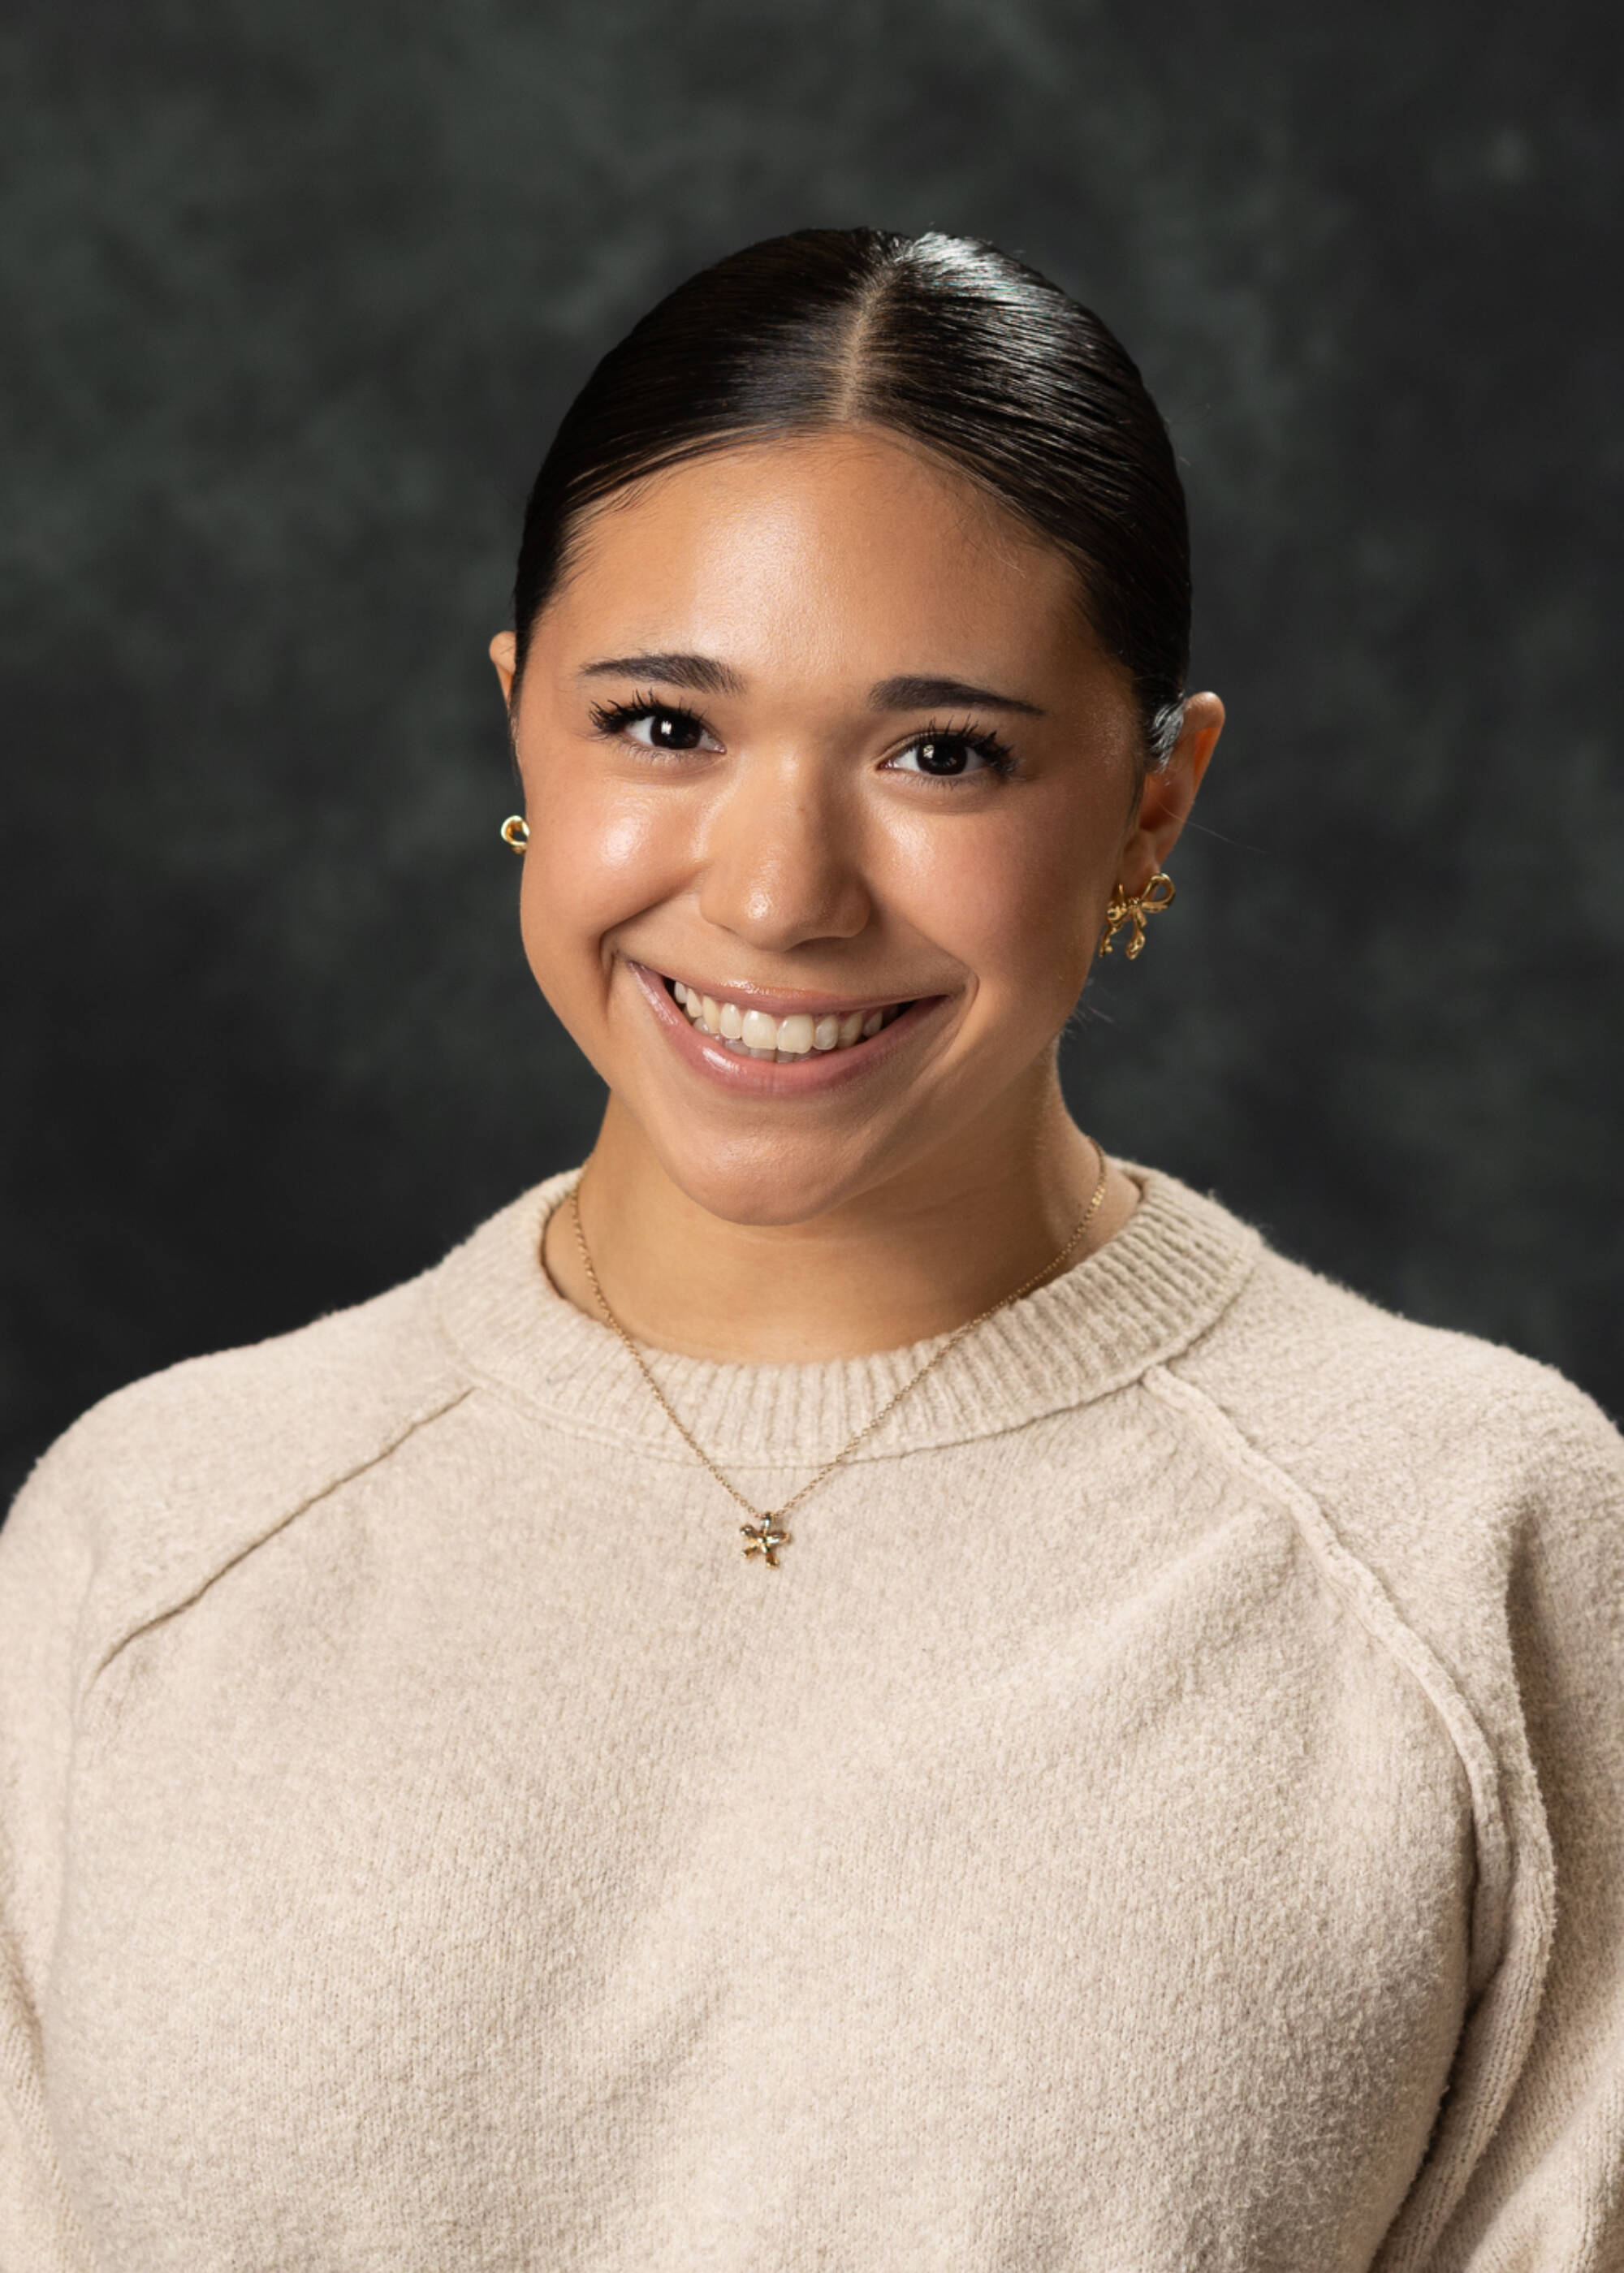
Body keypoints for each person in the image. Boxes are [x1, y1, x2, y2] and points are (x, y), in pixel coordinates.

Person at [1, 228, 1619, 2272]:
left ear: (1154, 801)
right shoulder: (152, 1535)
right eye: (661, 725)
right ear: (521, 728)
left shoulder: (1473, 1540)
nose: (777, 896)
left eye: (943, 752)